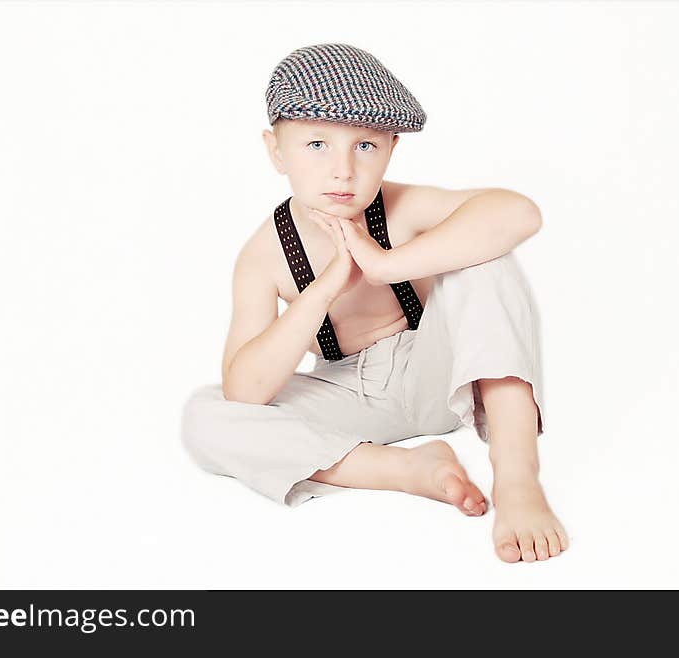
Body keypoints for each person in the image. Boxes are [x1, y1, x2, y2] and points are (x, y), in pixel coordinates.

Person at [181, 43, 569, 563]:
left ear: (390, 149)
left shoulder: (401, 208)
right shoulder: (265, 254)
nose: (342, 170)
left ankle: (517, 477)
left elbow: (518, 212)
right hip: (350, 398)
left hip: (435, 374)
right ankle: (404, 469)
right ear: (276, 150)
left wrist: (386, 264)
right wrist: (320, 291)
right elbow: (245, 388)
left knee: (487, 255)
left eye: (364, 146)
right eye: (316, 143)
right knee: (205, 416)